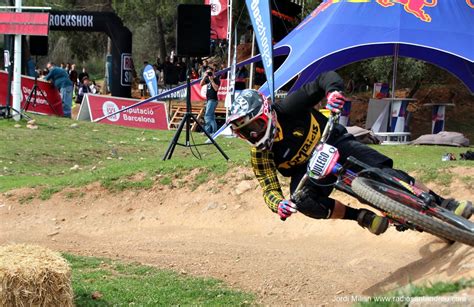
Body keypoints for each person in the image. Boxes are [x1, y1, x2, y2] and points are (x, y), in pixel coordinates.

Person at [226, 71, 472, 235]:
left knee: (383, 172)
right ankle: (359, 216)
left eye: (255, 126)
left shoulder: (290, 106)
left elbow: (323, 79)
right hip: (306, 171)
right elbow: (268, 188)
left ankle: (444, 202)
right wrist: (278, 204)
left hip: (334, 139)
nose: (254, 135)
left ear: (267, 112)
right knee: (303, 202)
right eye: (246, 133)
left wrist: (333, 92)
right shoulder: (259, 154)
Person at [200, 65, 220, 135]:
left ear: (213, 72)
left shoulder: (216, 79)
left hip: (213, 99)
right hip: (209, 99)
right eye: (207, 72)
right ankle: (214, 132)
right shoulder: (207, 78)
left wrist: (212, 80)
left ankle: (207, 131)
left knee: (207, 116)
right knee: (211, 116)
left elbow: (216, 89)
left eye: (210, 72)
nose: (209, 74)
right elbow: (201, 84)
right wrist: (204, 76)